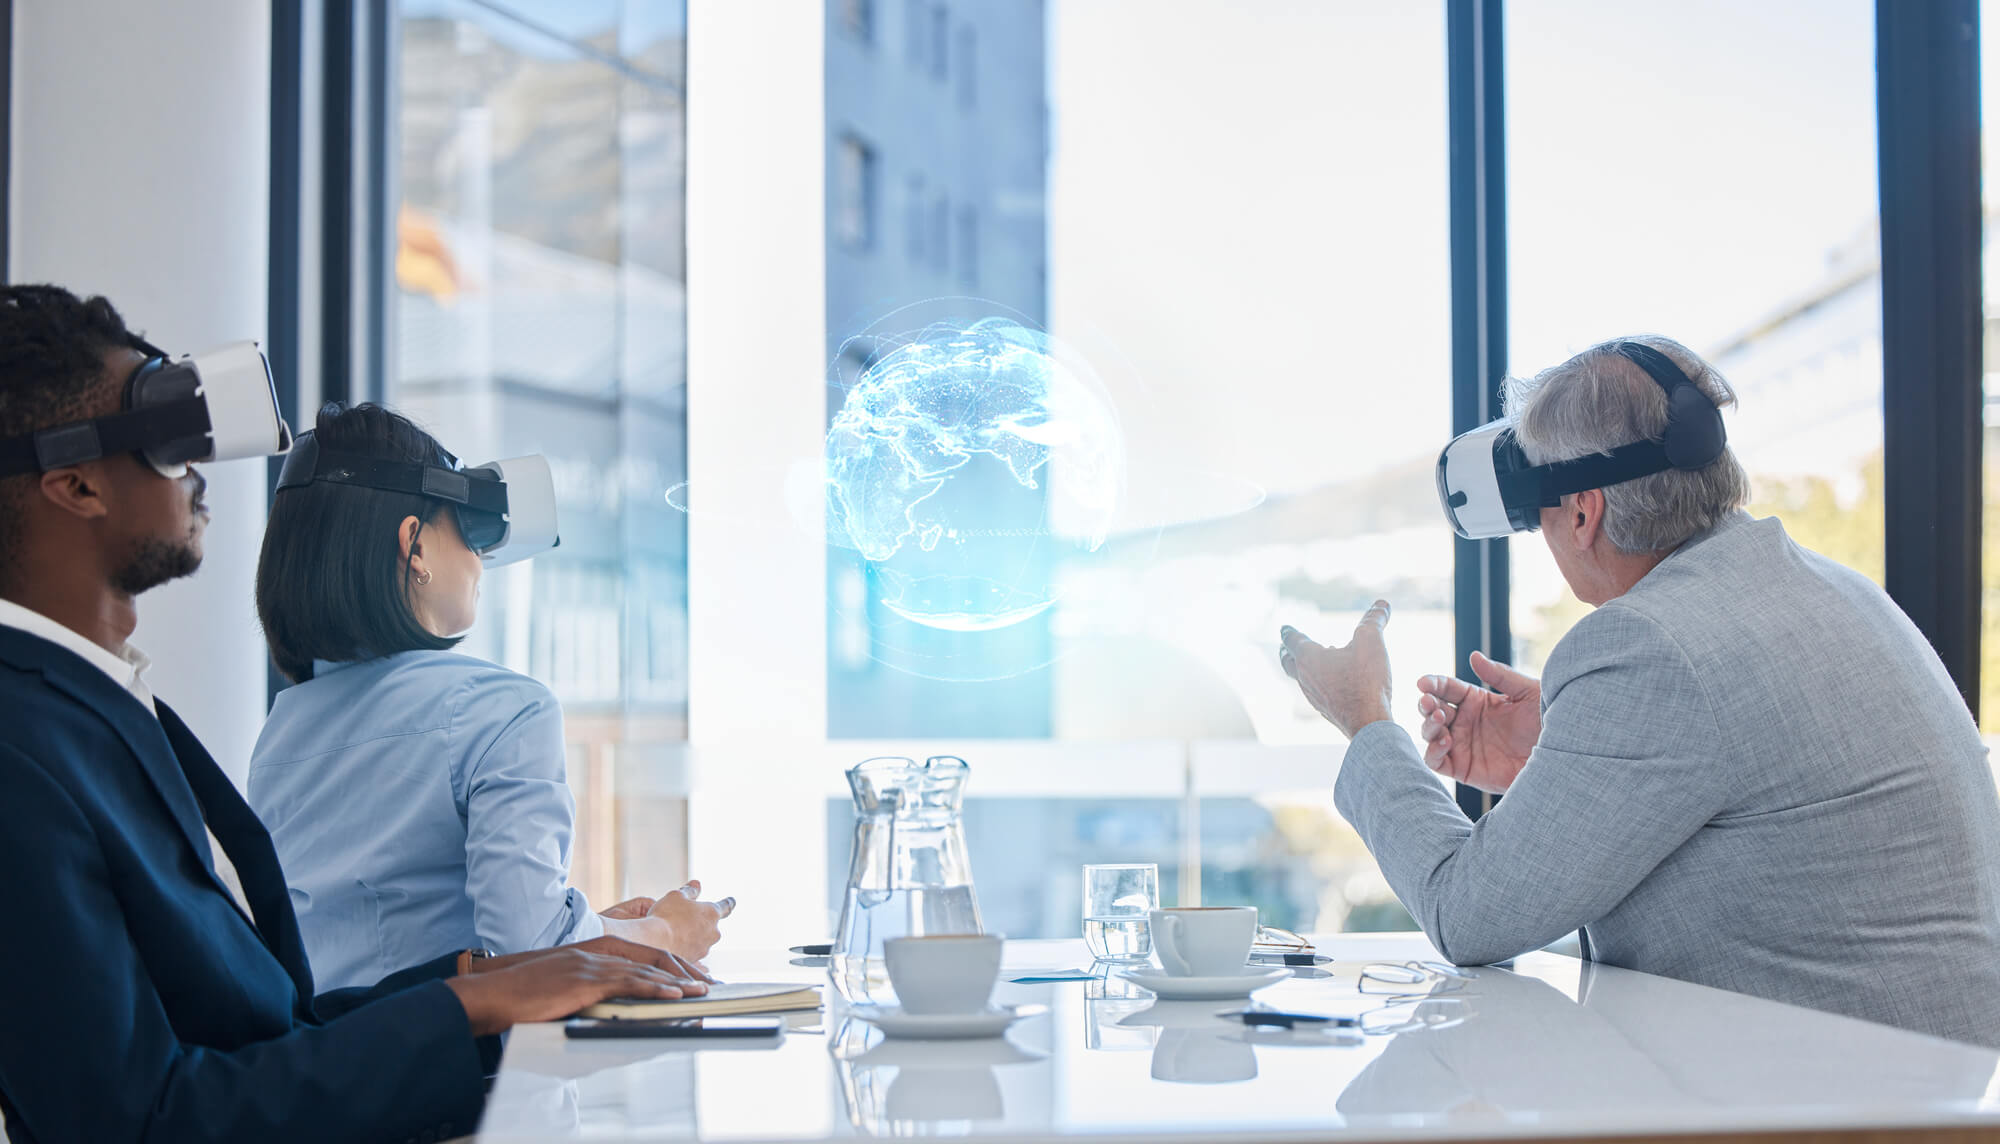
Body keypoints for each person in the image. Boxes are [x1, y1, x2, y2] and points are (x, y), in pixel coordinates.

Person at [0, 285, 710, 1143]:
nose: (197, 471)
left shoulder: (122, 713)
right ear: (75, 484)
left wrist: (479, 986)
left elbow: (269, 1029)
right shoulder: (23, 744)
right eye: (162, 441)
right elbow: (136, 1120)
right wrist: (472, 997)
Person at [1279, 335, 2000, 1047]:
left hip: (1837, 1110)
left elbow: (1468, 916)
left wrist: (1365, 720)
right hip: (1929, 1078)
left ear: (1585, 514)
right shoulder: (1830, 587)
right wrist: (1564, 743)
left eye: (1540, 519)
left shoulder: (1652, 646)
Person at [249, 402, 732, 991]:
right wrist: (666, 935)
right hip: (459, 1074)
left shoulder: (280, 737)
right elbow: (536, 953)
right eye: (469, 532)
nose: (481, 562)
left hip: (329, 1070)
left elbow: (391, 936)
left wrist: (598, 926)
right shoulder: (503, 711)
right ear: (415, 546)